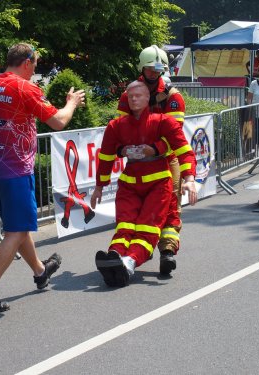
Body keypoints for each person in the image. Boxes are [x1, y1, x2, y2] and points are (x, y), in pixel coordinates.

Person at [0, 43, 85, 313]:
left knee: (16, 226)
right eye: (35, 65)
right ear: (26, 62)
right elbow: (57, 121)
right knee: (17, 230)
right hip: (15, 169)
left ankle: (40, 271)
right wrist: (72, 103)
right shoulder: (24, 87)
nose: (35, 71)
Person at [90, 81, 197, 287]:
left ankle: (129, 263)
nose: (134, 99)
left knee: (148, 228)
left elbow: (183, 150)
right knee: (124, 226)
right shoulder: (116, 126)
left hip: (158, 184)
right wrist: (99, 187)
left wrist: (189, 179)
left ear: (148, 98)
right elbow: (105, 157)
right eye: (130, 97)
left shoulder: (163, 121)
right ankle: (115, 256)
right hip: (129, 183)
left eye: (139, 95)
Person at [117, 45, 187, 275]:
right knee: (134, 207)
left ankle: (167, 251)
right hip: (137, 161)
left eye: (158, 70)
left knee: (170, 202)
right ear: (142, 68)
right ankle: (129, 249)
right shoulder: (129, 95)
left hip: (166, 159)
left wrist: (155, 149)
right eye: (150, 70)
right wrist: (126, 149)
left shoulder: (172, 96)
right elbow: (121, 128)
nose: (154, 74)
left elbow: (175, 135)